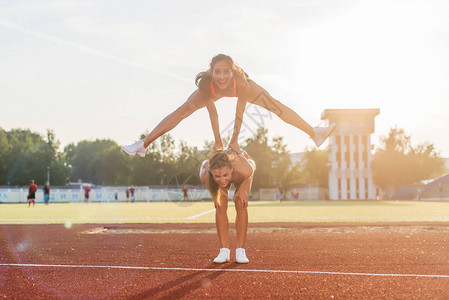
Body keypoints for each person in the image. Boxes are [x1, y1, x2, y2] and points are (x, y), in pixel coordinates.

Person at [122, 54, 336, 157]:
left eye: (226, 72)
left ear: (231, 72)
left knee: (275, 106)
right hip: (213, 93)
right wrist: (218, 141)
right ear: (211, 73)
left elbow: (240, 110)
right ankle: (144, 144)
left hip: (246, 90)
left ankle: (313, 132)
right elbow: (213, 113)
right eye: (217, 72)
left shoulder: (241, 82)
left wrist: (233, 139)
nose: (222, 76)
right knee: (183, 110)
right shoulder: (207, 85)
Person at [200, 149, 256, 264]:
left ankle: (241, 250)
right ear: (211, 173)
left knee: (240, 201)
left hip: (243, 173)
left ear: (231, 169)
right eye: (217, 176)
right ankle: (224, 251)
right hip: (222, 171)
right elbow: (217, 178)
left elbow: (252, 166)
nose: (222, 180)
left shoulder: (241, 168)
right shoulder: (205, 174)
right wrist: (217, 191)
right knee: (220, 203)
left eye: (225, 175)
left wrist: (242, 188)